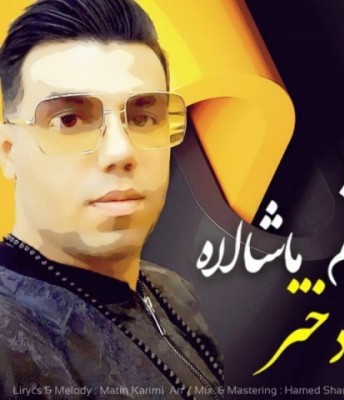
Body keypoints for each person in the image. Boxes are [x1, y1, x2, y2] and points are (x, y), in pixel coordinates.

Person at [0, 0, 223, 398]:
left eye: (143, 117)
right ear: (9, 151)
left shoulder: (175, 293)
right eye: (69, 120)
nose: (121, 151)